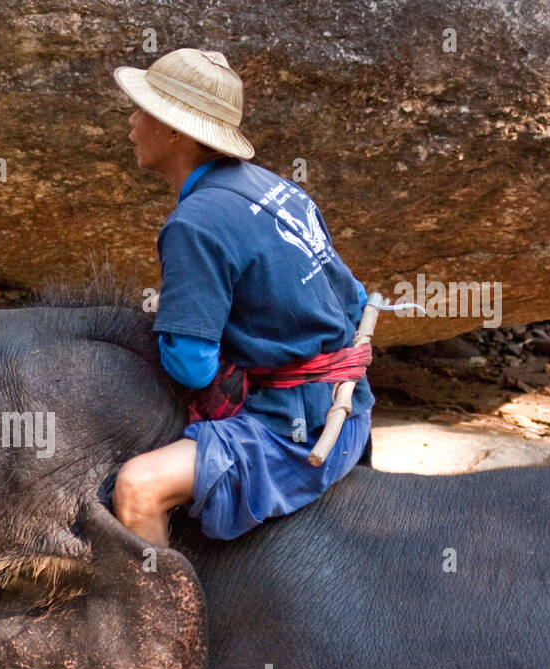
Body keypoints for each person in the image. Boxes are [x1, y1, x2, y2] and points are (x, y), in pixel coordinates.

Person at [110, 48, 375, 548]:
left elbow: (192, 368)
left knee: (137, 487)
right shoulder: (277, 188)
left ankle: (166, 623)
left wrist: (176, 322)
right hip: (350, 406)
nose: (131, 119)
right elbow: (354, 296)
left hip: (297, 434)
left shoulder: (194, 225)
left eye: (143, 108)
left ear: (175, 130)